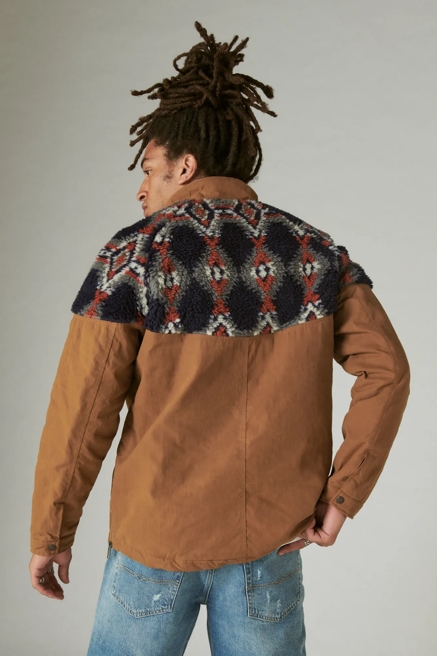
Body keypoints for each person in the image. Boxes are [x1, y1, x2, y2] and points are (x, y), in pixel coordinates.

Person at [29, 21, 410, 656]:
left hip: (155, 544)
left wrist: (52, 530)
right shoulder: (315, 254)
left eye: (150, 169)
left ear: (186, 165)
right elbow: (388, 371)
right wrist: (342, 496)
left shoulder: (133, 257)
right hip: (269, 548)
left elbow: (83, 409)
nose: (141, 188)